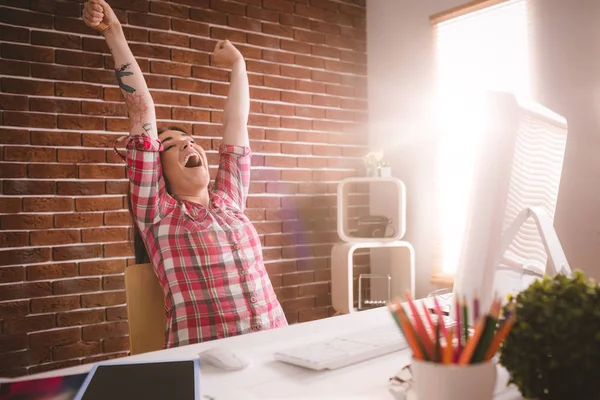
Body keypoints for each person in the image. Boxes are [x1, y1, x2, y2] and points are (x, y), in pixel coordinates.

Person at [82, 0, 287, 347]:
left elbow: (236, 122)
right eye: (172, 144)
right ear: (157, 170)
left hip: (277, 347)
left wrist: (238, 64)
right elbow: (142, 108)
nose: (188, 145)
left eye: (191, 140)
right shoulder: (158, 213)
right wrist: (112, 32)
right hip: (209, 362)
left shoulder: (230, 199)